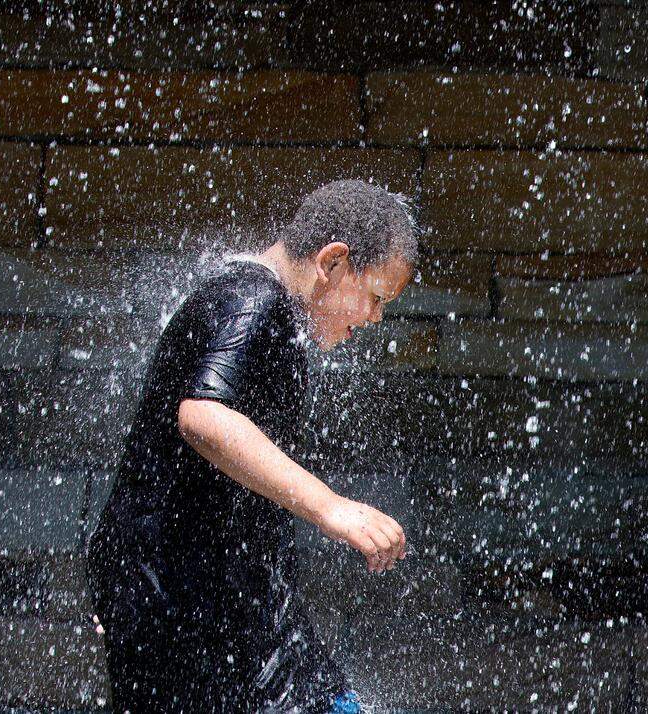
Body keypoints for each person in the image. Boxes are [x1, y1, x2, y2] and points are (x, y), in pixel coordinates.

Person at [87, 179, 418, 713]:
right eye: (376, 297)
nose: (375, 318)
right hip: (182, 597)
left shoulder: (264, 309)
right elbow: (203, 417)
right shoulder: (253, 301)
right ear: (333, 262)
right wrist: (331, 508)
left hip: (225, 595)